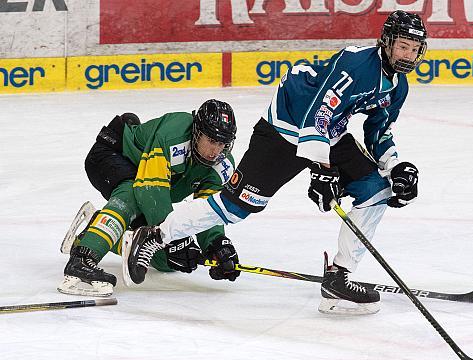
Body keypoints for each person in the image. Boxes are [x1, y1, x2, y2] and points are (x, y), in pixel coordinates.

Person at [123, 11, 427, 314]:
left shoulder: (397, 86)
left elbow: (378, 130)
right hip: (286, 126)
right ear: (386, 43)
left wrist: (395, 167)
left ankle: (338, 278)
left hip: (329, 132)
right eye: (403, 46)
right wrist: (323, 170)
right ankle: (156, 235)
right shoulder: (355, 64)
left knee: (376, 190)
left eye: (414, 49)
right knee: (235, 206)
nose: (408, 55)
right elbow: (316, 113)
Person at [58, 99, 241, 297]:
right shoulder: (174, 133)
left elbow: (207, 209)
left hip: (143, 180)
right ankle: (82, 258)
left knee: (167, 259)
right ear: (197, 132)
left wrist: (216, 245)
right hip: (112, 154)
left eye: (222, 143)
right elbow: (149, 189)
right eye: (211, 141)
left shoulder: (220, 166)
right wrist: (173, 238)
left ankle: (95, 231)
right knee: (131, 194)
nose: (216, 151)